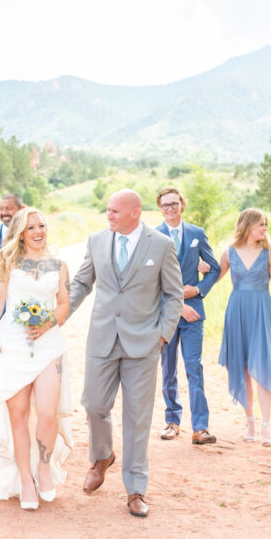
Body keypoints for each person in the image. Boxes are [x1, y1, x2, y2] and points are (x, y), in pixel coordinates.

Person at [69, 189, 183, 518]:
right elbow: (80, 283)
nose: (109, 216)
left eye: (115, 211)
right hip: (102, 340)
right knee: (93, 405)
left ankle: (135, 489)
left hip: (143, 345)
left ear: (135, 212)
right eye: (107, 210)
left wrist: (162, 336)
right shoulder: (97, 241)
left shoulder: (161, 245)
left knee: (137, 418)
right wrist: (56, 315)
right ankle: (102, 456)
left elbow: (174, 294)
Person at [0, 207, 72, 510]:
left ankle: (43, 468)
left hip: (48, 345)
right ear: (20, 232)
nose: (38, 232)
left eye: (42, 226)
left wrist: (47, 324)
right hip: (12, 346)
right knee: (17, 415)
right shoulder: (7, 261)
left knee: (46, 413)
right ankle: (25, 480)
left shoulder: (59, 265)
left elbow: (63, 303)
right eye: (31, 227)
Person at [217, 208, 271, 446]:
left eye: (266, 224)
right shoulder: (229, 252)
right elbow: (214, 278)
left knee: (263, 366)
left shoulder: (270, 254)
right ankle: (250, 420)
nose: (265, 229)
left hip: (261, 312)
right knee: (243, 367)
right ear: (247, 225)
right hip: (237, 312)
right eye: (261, 225)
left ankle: (266, 425)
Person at [156, 186, 220, 445]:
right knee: (168, 369)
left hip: (194, 313)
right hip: (166, 315)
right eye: (165, 205)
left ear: (182, 204)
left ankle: (201, 427)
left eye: (174, 203)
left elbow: (213, 269)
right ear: (160, 208)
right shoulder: (153, 236)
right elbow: (149, 280)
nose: (170, 209)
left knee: (195, 368)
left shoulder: (197, 234)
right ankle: (172, 421)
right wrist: (176, 302)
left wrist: (199, 288)